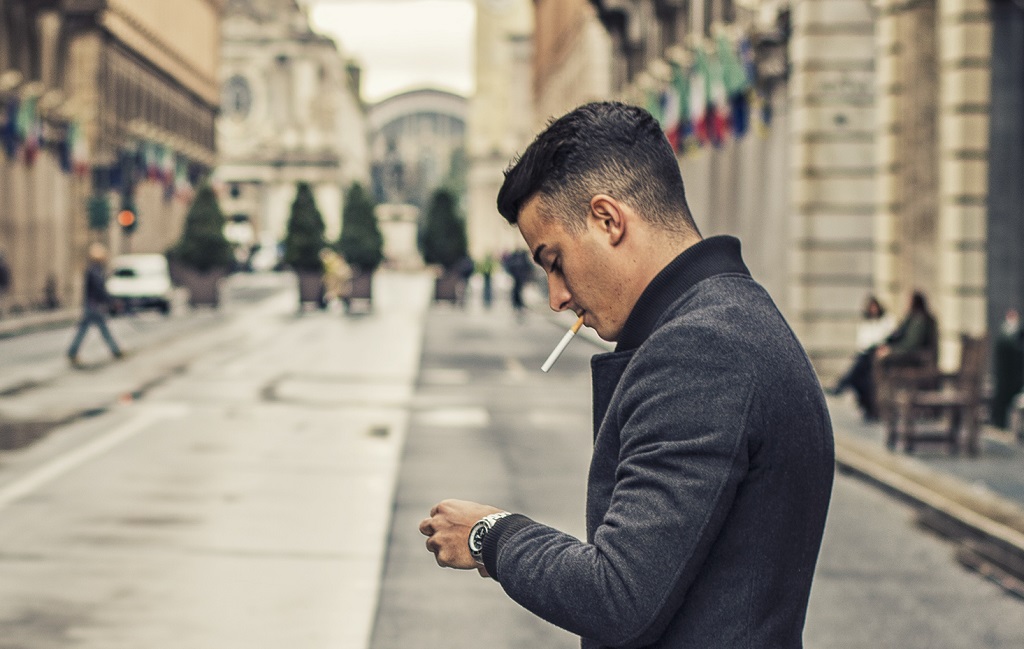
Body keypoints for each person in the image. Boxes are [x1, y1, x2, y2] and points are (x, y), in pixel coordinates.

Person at [419, 102, 834, 648]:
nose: (556, 297)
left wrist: (489, 534)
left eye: (555, 261)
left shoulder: (701, 349)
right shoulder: (734, 316)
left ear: (608, 220)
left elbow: (618, 596)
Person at [830, 295, 895, 418]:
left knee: (857, 370)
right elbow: (862, 342)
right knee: (859, 378)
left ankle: (842, 384)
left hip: (877, 354)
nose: (873, 310)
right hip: (866, 355)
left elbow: (887, 337)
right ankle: (864, 404)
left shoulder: (887, 320)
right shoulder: (866, 323)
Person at [67, 242, 122, 365]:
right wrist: (111, 302)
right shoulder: (95, 271)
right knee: (103, 330)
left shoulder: (93, 270)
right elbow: (100, 290)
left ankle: (72, 352)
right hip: (94, 307)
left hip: (91, 306)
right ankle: (116, 351)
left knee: (85, 330)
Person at [991, 308, 1024, 429]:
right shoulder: (1005, 334)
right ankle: (999, 423)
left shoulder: (1015, 333)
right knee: (1003, 401)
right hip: (1006, 375)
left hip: (1012, 375)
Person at [319, 248, 352, 313]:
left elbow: (347, 274)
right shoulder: (332, 264)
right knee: (335, 294)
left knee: (339, 295)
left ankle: (331, 302)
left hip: (341, 286)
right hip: (336, 286)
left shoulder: (340, 265)